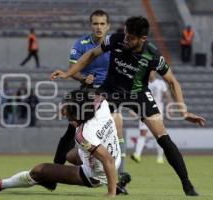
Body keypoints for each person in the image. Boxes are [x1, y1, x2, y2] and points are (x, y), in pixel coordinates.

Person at [50, 16, 205, 196]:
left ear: (143, 39)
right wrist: (69, 73)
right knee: (76, 119)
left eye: (130, 38)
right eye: (125, 34)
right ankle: (56, 172)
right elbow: (92, 54)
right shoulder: (115, 39)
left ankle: (187, 185)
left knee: (163, 138)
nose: (125, 39)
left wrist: (183, 111)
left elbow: (172, 82)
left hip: (138, 94)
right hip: (110, 91)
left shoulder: (153, 55)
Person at [0, 90, 122, 197]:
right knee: (69, 156)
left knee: (40, 170)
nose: (64, 113)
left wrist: (111, 194)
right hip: (114, 158)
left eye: (67, 111)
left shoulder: (84, 135)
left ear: (78, 114)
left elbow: (107, 160)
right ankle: (112, 180)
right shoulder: (101, 103)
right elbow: (116, 116)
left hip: (95, 174)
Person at [52, 9, 130, 194]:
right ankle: (54, 174)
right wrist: (82, 78)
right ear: (91, 25)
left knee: (115, 129)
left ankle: (118, 178)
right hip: (87, 94)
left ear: (108, 26)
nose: (99, 27)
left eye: (102, 24)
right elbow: (73, 69)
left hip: (109, 94)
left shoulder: (116, 45)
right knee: (71, 133)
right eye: (95, 23)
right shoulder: (81, 44)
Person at [131, 71, 172, 164]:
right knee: (142, 133)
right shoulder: (142, 84)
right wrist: (133, 109)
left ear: (154, 72)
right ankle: (137, 155)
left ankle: (160, 157)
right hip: (144, 111)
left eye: (151, 72)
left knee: (159, 134)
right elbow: (136, 97)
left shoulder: (160, 83)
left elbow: (168, 97)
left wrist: (170, 108)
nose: (150, 73)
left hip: (157, 112)